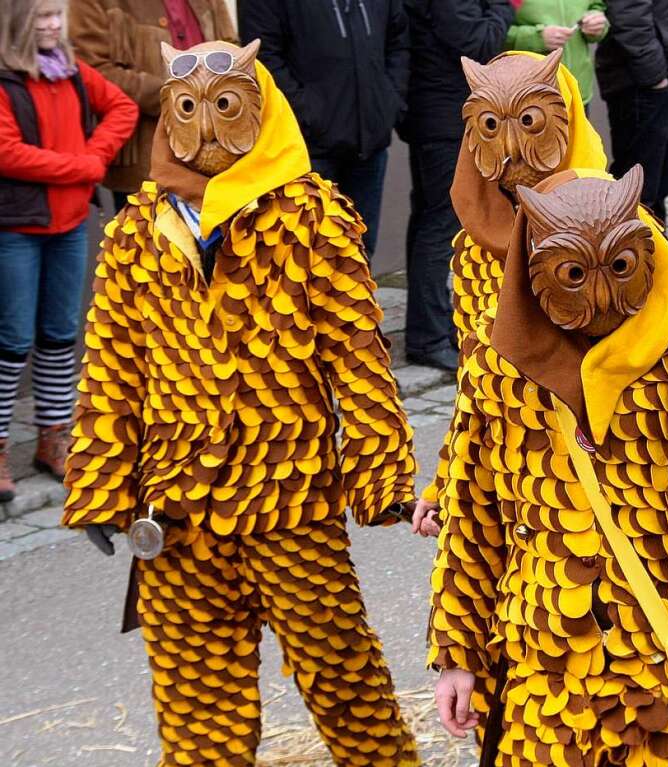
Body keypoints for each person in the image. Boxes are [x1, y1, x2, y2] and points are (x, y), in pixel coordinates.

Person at [61, 39, 420, 766]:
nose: (205, 129)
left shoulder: (311, 218)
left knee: (347, 685)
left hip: (289, 504)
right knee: (198, 716)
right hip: (176, 516)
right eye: (188, 109)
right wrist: (101, 482)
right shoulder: (138, 230)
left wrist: (381, 471)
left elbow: (358, 359)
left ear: (260, 109)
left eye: (225, 107)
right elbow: (112, 368)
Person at [426, 166, 668, 764]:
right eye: (574, 273)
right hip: (543, 671)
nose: (600, 295)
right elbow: (472, 516)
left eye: (620, 266)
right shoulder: (498, 359)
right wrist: (459, 654)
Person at [410, 49, 607, 537]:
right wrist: (446, 488)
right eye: (492, 127)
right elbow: (474, 383)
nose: (513, 147)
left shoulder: (614, 225)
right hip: (514, 489)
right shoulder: (475, 246)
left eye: (531, 121)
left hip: (603, 492)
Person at [0, 0, 137, 503]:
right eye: (42, 19)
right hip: (17, 226)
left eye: (57, 16)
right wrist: (80, 168)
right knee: (11, 338)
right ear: (18, 24)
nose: (54, 26)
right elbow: (6, 151)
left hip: (71, 222)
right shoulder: (6, 78)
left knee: (61, 334)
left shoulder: (74, 71)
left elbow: (121, 107)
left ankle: (54, 436)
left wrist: (96, 155)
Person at [239, 0, 409, 259]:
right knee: (307, 260)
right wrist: (307, 114)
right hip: (307, 151)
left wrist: (389, 101)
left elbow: (398, 40)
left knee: (359, 254)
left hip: (369, 144)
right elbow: (264, 57)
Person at [400, 0, 514, 372]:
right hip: (442, 113)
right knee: (440, 223)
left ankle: (431, 326)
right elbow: (480, 42)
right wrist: (504, 6)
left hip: (438, 109)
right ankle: (427, 336)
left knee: (431, 220)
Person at [69, 0, 236, 209]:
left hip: (219, 153)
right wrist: (180, 97)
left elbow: (231, 47)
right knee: (150, 239)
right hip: (145, 161)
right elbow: (94, 71)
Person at [596, 0, 668, 221]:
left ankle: (655, 250)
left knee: (657, 187)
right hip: (641, 81)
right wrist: (655, 76)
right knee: (637, 192)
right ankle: (635, 252)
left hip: (665, 74)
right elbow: (628, 13)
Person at [504, 0, 607, 109]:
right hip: (530, 96)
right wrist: (535, 38)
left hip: (578, 93)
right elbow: (489, 32)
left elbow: (596, 6)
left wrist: (596, 23)